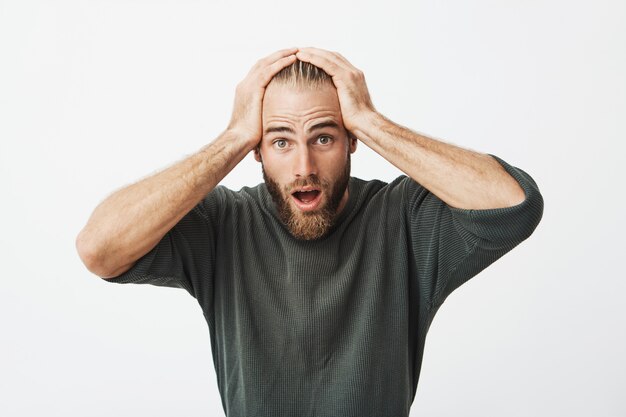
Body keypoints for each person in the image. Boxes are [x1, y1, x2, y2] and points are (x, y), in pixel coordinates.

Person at [76, 47, 544, 417]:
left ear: (351, 141)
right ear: (257, 149)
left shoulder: (403, 218)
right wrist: (233, 136)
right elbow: (99, 250)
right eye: (280, 140)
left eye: (324, 137)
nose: (304, 167)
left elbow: (514, 204)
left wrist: (370, 119)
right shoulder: (223, 225)